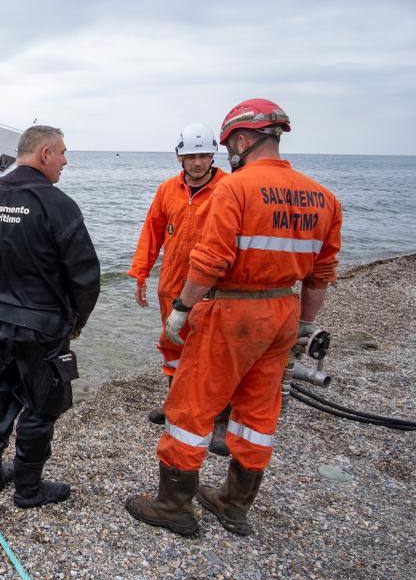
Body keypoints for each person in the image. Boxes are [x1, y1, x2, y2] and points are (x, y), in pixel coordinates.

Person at [125, 98, 342, 536]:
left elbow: (210, 260)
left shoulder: (235, 188)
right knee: (259, 409)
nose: (224, 156)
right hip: (283, 311)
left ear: (242, 139)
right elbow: (321, 274)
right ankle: (235, 503)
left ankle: (173, 505)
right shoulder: (323, 197)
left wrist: (183, 307)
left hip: (229, 310)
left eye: (225, 147)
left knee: (189, 406)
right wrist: (302, 325)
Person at [0, 125, 101, 508]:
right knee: (42, 405)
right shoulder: (56, 203)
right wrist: (76, 322)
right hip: (41, 328)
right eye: (63, 153)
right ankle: (28, 489)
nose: (66, 161)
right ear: (45, 154)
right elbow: (85, 276)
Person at [128, 124, 229, 453]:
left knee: (214, 351)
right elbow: (152, 232)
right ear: (179, 157)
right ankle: (175, 404)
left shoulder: (229, 188)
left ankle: (219, 417)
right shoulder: (167, 190)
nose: (197, 162)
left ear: (212, 154)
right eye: (190, 156)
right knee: (173, 344)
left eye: (203, 155)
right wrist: (141, 273)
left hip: (213, 285)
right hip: (172, 282)